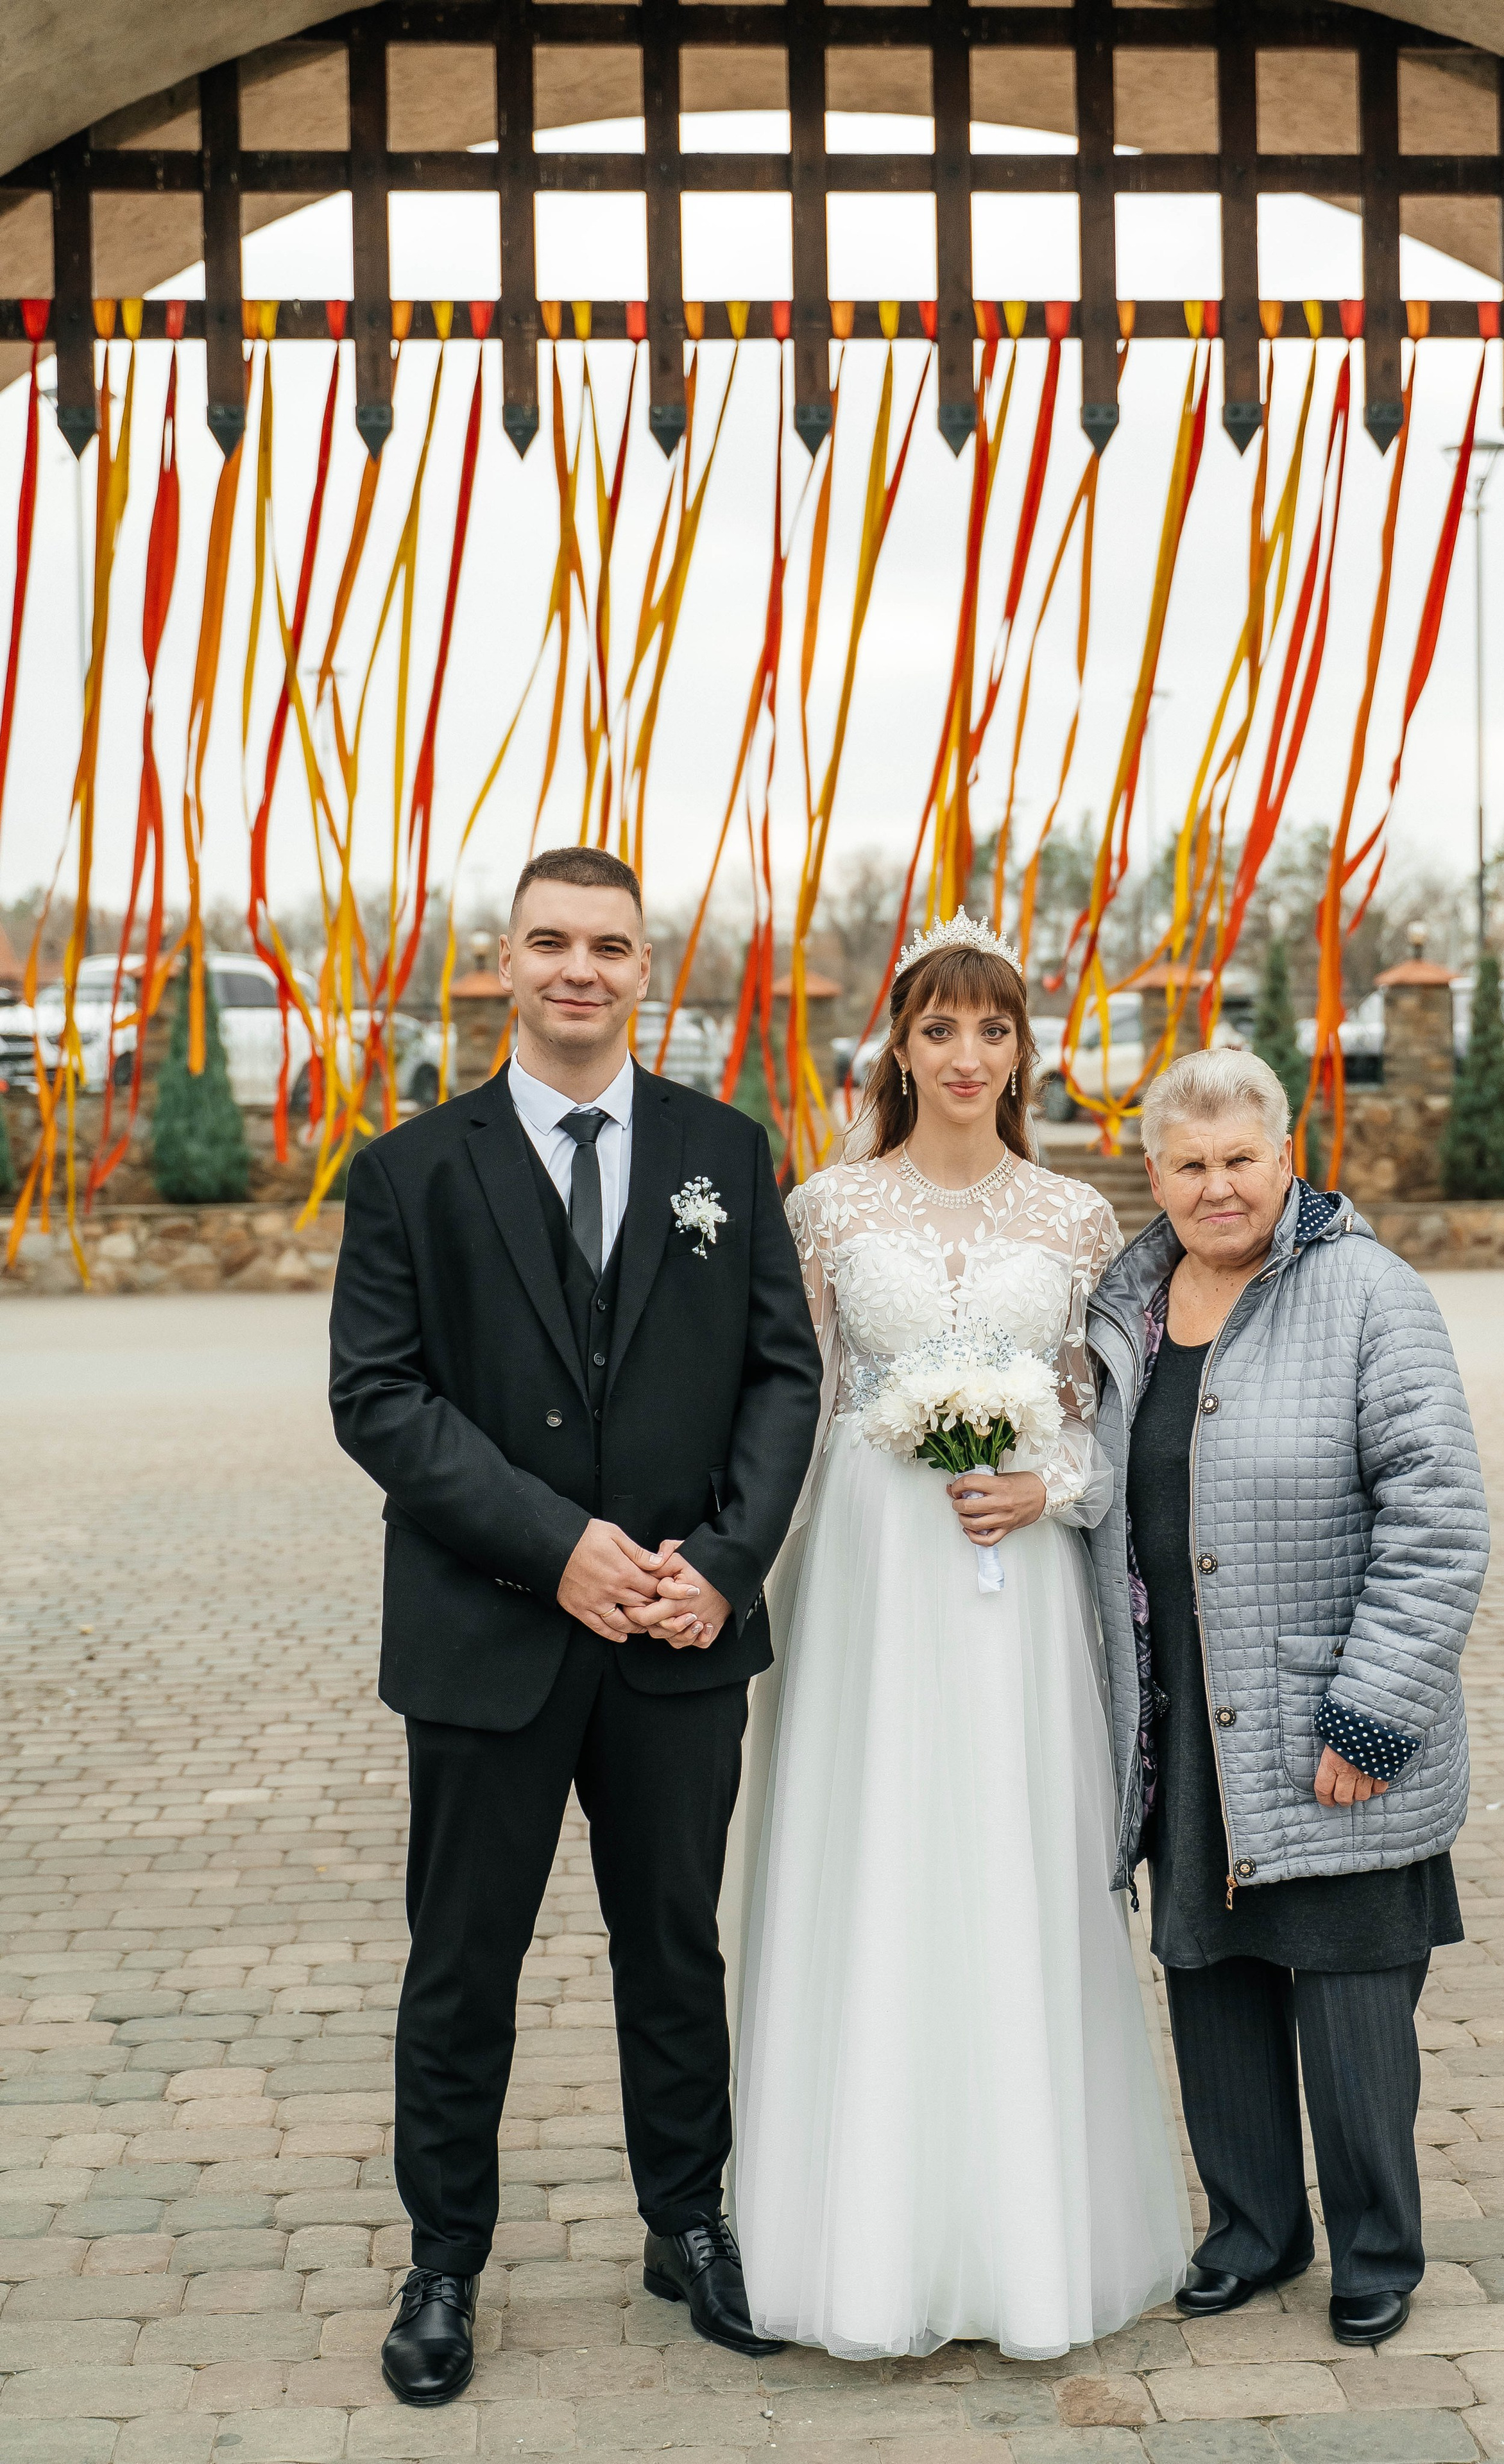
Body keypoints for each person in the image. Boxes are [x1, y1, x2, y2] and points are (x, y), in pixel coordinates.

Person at [329, 846, 821, 2405]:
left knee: (673, 1948)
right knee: (462, 1962)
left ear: (643, 965)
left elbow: (781, 1376)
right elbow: (379, 1398)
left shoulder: (726, 1152)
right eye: (550, 941)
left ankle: (688, 2224)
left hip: (678, 1640)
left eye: (608, 945)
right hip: (488, 1634)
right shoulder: (410, 1167)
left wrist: (724, 1566)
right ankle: (443, 2261)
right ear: (505, 961)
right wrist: (555, 1552)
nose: (578, 970)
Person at [731, 911, 1189, 2361]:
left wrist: (1044, 1483)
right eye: (939, 1027)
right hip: (870, 1576)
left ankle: (1025, 2242)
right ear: (900, 1045)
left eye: (991, 1029)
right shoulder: (824, 1209)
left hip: (1008, 1590)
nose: (966, 1055)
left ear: (1021, 1050)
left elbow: (1091, 1422)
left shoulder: (1070, 1219)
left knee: (1002, 1858)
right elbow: (789, 1407)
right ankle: (852, 2235)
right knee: (873, 1855)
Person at [1084, 1047, 1489, 2350]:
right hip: (1187, 1722)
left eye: (1237, 1160)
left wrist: (1369, 1715)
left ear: (1285, 1156)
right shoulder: (1126, 1308)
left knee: (1353, 1998)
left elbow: (1434, 1520)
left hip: (1329, 1726)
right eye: (1188, 1165)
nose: (1215, 1188)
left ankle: (1376, 2246)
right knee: (1214, 1983)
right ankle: (1252, 2230)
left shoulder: (1368, 1294)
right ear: (1154, 1172)